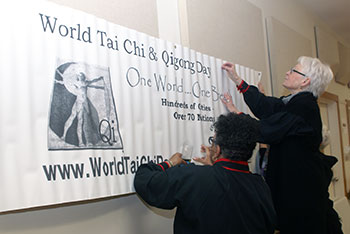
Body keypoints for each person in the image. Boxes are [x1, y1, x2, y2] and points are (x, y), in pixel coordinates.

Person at [221, 56, 342, 234]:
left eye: (293, 70)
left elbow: (269, 129)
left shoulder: (304, 107)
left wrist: (236, 114)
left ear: (305, 81)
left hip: (302, 201)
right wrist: (238, 80)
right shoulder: (293, 102)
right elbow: (266, 106)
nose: (288, 72)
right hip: (299, 196)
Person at [134, 113, 276, 234]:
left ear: (218, 149)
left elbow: (144, 181)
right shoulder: (261, 186)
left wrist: (168, 163)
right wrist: (214, 167)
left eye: (212, 142)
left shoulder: (193, 176)